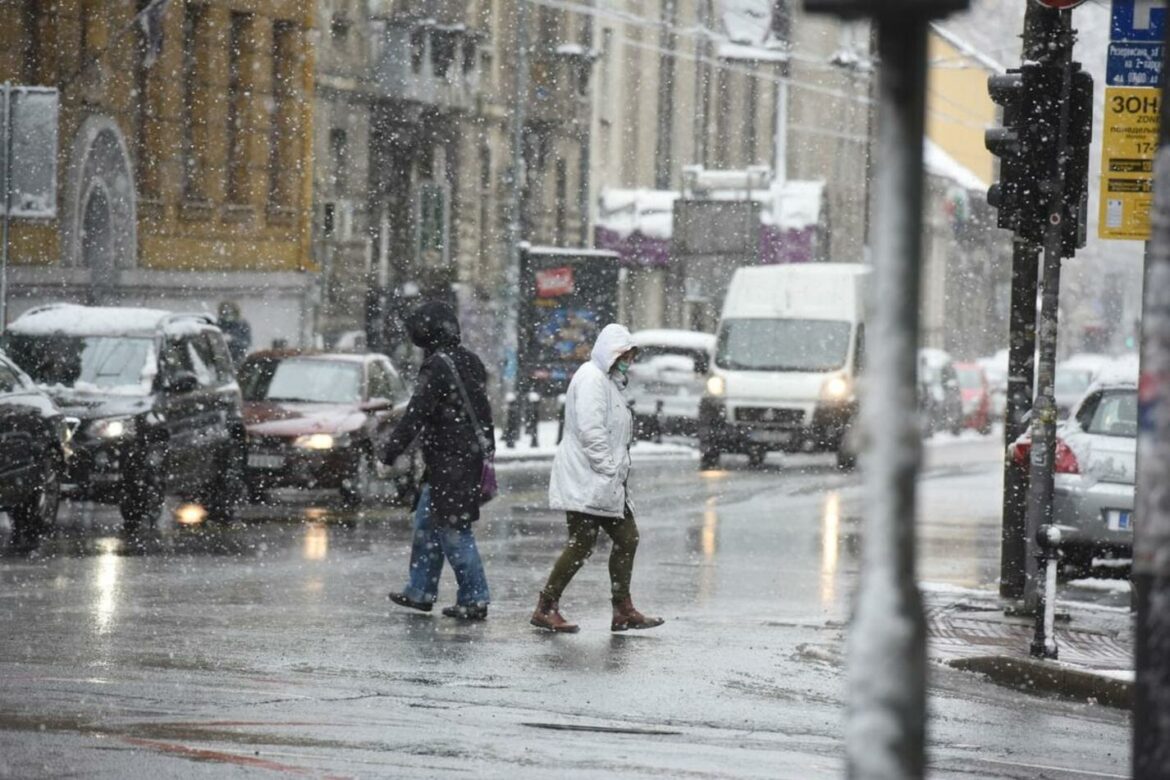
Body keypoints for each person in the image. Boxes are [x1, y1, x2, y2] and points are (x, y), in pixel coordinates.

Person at [531, 323, 664, 633]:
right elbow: (592, 431)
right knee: (581, 544)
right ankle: (546, 607)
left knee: (626, 538)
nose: (627, 361)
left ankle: (623, 609)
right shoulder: (591, 379)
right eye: (623, 355)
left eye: (631, 356)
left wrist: (613, 474)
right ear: (609, 353)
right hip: (588, 478)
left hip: (605, 481)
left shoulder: (608, 383)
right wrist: (607, 469)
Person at [382, 301, 494, 620]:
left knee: (454, 531)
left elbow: (417, 412)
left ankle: (474, 597)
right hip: (460, 461)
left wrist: (391, 450)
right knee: (426, 524)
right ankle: (419, 591)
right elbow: (482, 412)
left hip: (451, 464)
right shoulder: (470, 361)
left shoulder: (438, 366)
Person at [217, 301, 252, 365]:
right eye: (225, 313)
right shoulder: (218, 324)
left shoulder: (242, 325)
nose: (228, 315)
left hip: (237, 359)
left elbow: (246, 343)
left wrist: (232, 340)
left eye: (230, 313)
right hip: (220, 359)